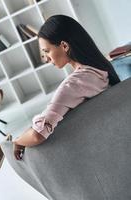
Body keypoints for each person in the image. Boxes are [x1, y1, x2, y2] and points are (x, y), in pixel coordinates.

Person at [12, 15, 120, 160]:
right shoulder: (101, 69)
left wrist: (17, 141)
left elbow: (37, 135)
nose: (46, 59)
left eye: (46, 51)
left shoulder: (72, 85)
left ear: (64, 46)